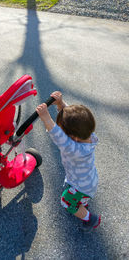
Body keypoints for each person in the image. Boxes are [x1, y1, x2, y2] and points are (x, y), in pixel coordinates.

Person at [36, 91, 101, 232]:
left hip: (81, 186)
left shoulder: (75, 149)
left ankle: (90, 219)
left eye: (62, 129)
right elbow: (75, 119)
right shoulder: (88, 135)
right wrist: (60, 104)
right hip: (89, 180)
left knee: (66, 201)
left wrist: (46, 118)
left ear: (72, 136)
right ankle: (82, 202)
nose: (60, 130)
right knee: (77, 195)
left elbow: (58, 136)